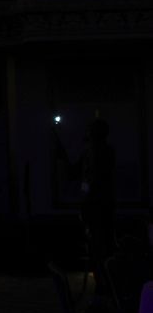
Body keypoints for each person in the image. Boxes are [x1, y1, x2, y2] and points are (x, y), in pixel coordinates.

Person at [53, 115, 116, 296]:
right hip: (97, 206)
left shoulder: (99, 152)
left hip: (98, 207)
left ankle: (104, 285)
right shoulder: (94, 151)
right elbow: (78, 174)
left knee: (100, 248)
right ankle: (103, 284)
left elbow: (92, 181)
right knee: (98, 248)